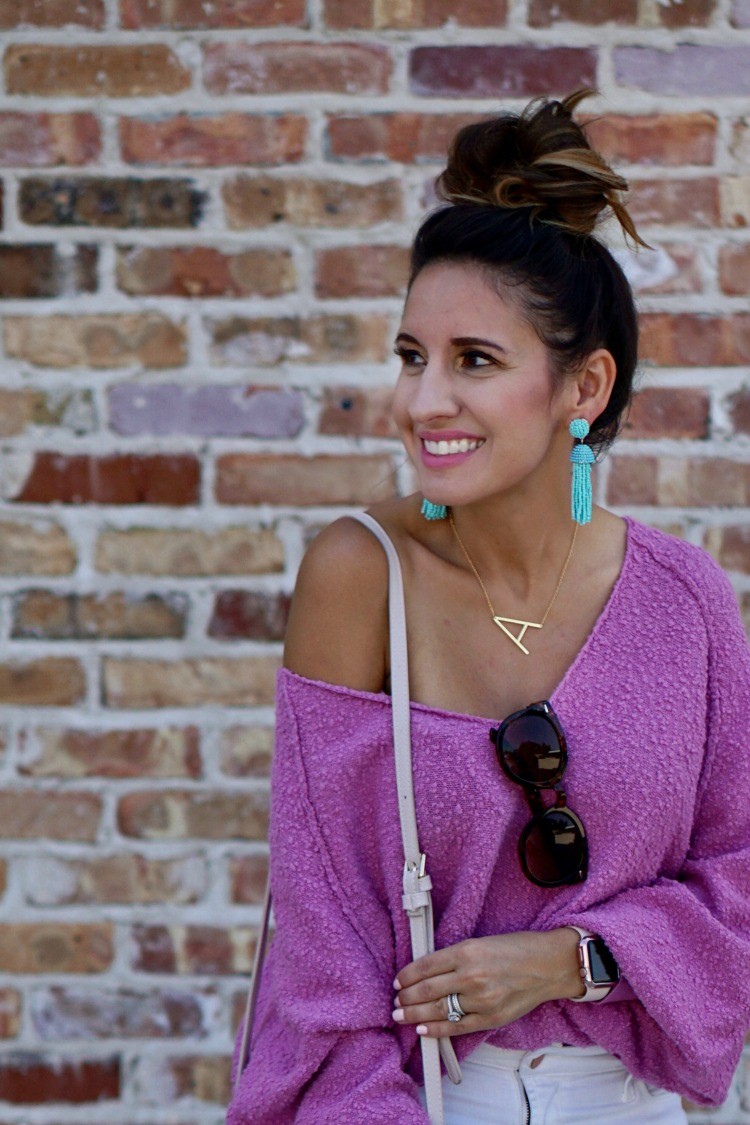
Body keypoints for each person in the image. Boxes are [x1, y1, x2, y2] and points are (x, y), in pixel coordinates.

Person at [226, 89, 750, 1124]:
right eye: (412, 357)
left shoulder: (685, 601)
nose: (424, 404)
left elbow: (741, 874)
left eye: (475, 362)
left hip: (629, 1103)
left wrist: (576, 958)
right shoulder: (359, 573)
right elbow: (323, 945)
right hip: (422, 1100)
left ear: (583, 387)